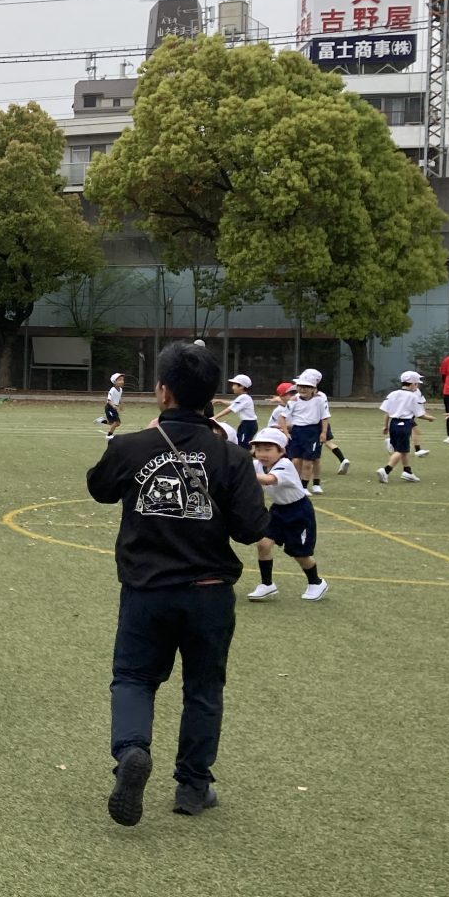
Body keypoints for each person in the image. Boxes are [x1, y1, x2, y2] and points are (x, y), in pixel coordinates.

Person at [84, 342, 269, 826]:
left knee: (134, 678)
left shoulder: (131, 446)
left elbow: (99, 488)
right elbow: (252, 529)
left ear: (162, 391)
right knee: (204, 687)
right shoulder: (229, 455)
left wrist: (138, 440)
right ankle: (192, 785)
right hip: (209, 591)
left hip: (146, 590)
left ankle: (131, 752)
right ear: (211, 396)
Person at [245, 434, 327, 603]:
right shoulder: (256, 465)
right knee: (263, 544)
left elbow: (269, 480)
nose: (262, 454)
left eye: (268, 449)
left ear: (281, 451)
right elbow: (238, 465)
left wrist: (243, 473)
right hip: (278, 510)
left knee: (300, 553)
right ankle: (267, 584)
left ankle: (316, 582)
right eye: (258, 449)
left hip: (299, 511)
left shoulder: (285, 465)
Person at [376, 371, 429, 484]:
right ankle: (386, 470)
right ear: (413, 384)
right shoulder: (413, 397)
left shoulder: (392, 394)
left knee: (402, 449)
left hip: (393, 424)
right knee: (400, 450)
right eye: (417, 384)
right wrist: (430, 418)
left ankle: (407, 471)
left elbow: (387, 412)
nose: (418, 386)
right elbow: (420, 414)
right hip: (404, 425)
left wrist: (385, 426)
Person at [286, 369, 330, 493]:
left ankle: (316, 483)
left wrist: (323, 432)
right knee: (299, 458)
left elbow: (324, 415)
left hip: (317, 426)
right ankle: (299, 483)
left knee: (314, 458)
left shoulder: (320, 397)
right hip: (300, 428)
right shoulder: (296, 398)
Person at [223, 375, 257, 445]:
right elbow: (231, 404)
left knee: (243, 445)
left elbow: (230, 409)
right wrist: (219, 401)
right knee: (242, 443)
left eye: (234, 385)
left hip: (248, 425)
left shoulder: (244, 397)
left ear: (241, 386)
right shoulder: (243, 397)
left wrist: (215, 417)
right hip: (247, 424)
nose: (232, 387)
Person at [98, 371, 125, 438]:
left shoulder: (120, 390)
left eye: (122, 380)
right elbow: (109, 400)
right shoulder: (112, 390)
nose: (122, 381)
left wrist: (121, 405)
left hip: (114, 408)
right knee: (116, 422)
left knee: (117, 423)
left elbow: (119, 398)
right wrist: (113, 406)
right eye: (120, 380)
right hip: (109, 408)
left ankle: (102, 421)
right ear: (114, 382)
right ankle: (109, 435)